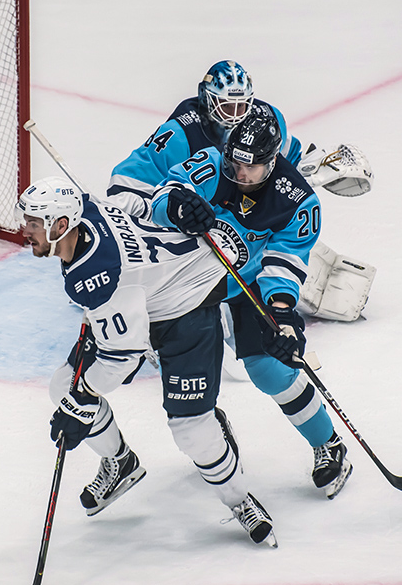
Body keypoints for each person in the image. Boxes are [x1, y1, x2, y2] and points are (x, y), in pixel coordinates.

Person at [18, 176, 278, 546]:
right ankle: (120, 463)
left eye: (32, 222)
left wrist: (83, 400)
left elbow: (123, 358)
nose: (24, 229)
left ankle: (240, 500)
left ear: (61, 225)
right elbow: (136, 204)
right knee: (64, 386)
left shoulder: (97, 278)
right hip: (144, 296)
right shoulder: (88, 209)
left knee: (192, 429)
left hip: (187, 301)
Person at [149, 108, 353, 499]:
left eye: (251, 168)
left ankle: (328, 443)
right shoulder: (212, 165)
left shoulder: (297, 201)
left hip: (247, 284)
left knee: (271, 371)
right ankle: (212, 429)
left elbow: (285, 259)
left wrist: (281, 313)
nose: (239, 174)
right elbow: (165, 191)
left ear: (272, 161)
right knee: (189, 376)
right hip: (190, 284)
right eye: (235, 163)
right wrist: (174, 206)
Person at [107, 59, 376, 323]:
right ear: (207, 99)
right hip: (173, 213)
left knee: (270, 236)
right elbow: (126, 185)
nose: (235, 115)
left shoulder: (268, 120)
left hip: (228, 215)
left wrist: (313, 167)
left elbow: (287, 158)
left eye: (242, 105)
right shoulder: (181, 134)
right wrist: (167, 210)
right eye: (226, 105)